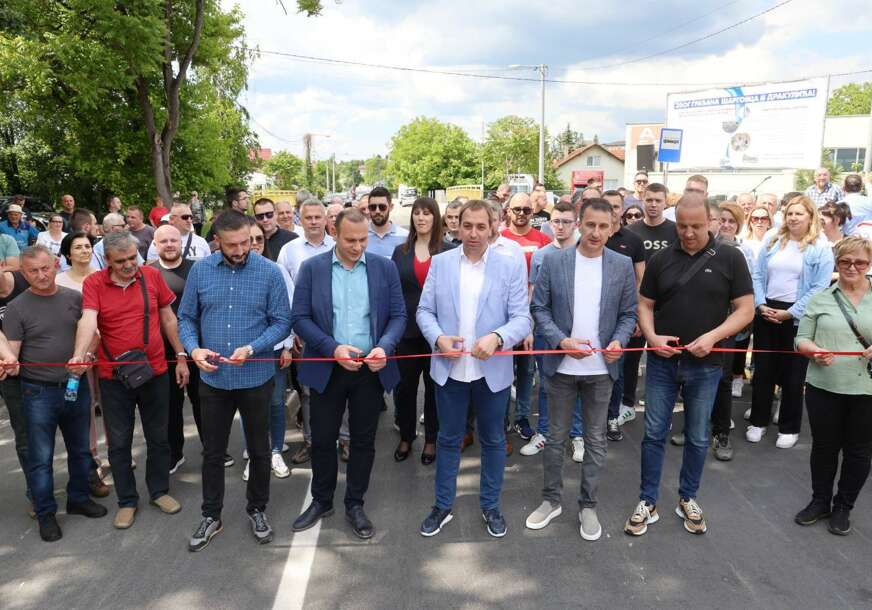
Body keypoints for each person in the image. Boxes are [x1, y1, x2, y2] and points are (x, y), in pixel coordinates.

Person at [624, 194, 754, 536]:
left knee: (697, 436)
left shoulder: (731, 257)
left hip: (707, 363)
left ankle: (688, 497)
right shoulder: (661, 258)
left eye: (696, 226)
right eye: (682, 225)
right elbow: (644, 303)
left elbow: (745, 309)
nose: (689, 233)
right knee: (653, 434)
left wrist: (714, 337)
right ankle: (647, 500)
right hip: (662, 362)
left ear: (710, 221)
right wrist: (651, 337)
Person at [176, 210, 290, 551]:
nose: (241, 249)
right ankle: (211, 514)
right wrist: (194, 350)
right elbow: (186, 318)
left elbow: (282, 322)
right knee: (212, 452)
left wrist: (254, 347)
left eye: (246, 242)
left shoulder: (269, 273)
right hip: (213, 380)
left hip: (256, 377)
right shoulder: (200, 271)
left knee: (258, 449)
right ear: (217, 242)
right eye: (232, 245)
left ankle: (257, 509)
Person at [416, 200, 531, 538]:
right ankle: (442, 506)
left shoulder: (510, 266)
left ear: (494, 227)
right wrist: (438, 340)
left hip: (491, 372)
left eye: (482, 227)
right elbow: (424, 311)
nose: (474, 233)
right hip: (449, 371)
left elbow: (522, 319)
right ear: (457, 226)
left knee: (494, 440)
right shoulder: (441, 263)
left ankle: (490, 505)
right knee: (448, 439)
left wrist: (497, 337)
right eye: (468, 226)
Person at [290, 208, 406, 540]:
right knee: (323, 439)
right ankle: (321, 500)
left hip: (370, 369)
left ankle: (355, 503)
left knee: (363, 440)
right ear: (334, 233)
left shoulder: (384, 268)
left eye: (363, 239)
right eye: (350, 240)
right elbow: (299, 318)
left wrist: (384, 345)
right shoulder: (312, 269)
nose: (358, 247)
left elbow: (398, 315)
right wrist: (332, 348)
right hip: (328, 368)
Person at [526, 199, 637, 540]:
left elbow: (629, 313)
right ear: (579, 223)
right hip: (561, 367)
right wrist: (560, 341)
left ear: (613, 227)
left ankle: (588, 505)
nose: (596, 232)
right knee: (556, 439)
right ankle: (551, 500)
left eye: (604, 226)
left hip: (601, 370)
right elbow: (539, 308)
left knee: (595, 440)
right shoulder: (555, 261)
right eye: (590, 225)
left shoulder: (622, 264)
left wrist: (619, 341)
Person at [68, 231, 186, 530]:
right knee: (119, 444)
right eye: (121, 261)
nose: (129, 265)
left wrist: (182, 356)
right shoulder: (95, 283)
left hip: (155, 371)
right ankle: (127, 500)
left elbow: (169, 318)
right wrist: (79, 355)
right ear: (107, 260)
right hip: (112, 377)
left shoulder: (152, 276)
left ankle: (159, 491)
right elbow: (88, 320)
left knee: (159, 437)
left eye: (133, 257)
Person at [4, 246, 109, 542]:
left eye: (46, 268)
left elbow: (94, 337)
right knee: (41, 457)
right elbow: (12, 353)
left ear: (55, 264)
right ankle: (45, 512)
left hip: (76, 386)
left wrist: (86, 357)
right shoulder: (17, 308)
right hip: (38, 392)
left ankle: (77, 498)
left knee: (80, 449)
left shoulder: (74, 298)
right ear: (24, 273)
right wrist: (8, 364)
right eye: (33, 271)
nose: (41, 275)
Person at [794, 235, 872, 536]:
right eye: (845, 261)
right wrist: (812, 349)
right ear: (837, 263)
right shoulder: (821, 298)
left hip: (866, 389)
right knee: (824, 448)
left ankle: (844, 506)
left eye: (860, 262)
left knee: (859, 452)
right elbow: (800, 338)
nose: (852, 267)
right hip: (823, 385)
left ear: (868, 264)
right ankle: (820, 501)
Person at [747, 195, 833, 449]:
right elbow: (758, 273)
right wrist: (761, 303)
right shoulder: (773, 239)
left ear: (810, 217)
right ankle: (758, 421)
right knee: (763, 371)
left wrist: (792, 312)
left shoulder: (820, 247)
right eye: (790, 213)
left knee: (793, 375)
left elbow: (819, 287)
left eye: (799, 214)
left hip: (797, 317)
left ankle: (789, 426)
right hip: (766, 311)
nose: (793, 218)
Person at [391, 197, 455, 464]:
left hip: (437, 334)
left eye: (427, 213)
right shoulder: (400, 251)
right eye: (416, 213)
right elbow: (393, 292)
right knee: (404, 389)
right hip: (406, 333)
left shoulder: (449, 251)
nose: (421, 218)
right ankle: (406, 435)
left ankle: (431, 438)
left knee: (433, 388)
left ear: (435, 217)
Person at [520, 201, 585, 458]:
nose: (560, 226)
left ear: (575, 224)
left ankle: (576, 434)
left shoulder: (585, 253)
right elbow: (532, 294)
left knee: (577, 385)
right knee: (547, 385)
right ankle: (543, 432)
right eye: (556, 221)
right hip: (546, 333)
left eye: (566, 222)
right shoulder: (541, 255)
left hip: (576, 332)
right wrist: (529, 328)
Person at [276, 198, 337, 465]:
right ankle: (311, 441)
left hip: (338, 330)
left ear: (326, 219)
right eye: (308, 217)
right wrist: (294, 332)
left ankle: (343, 439)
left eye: (317, 217)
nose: (313, 221)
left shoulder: (339, 246)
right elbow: (284, 293)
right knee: (310, 391)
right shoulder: (289, 251)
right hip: (305, 332)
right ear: (301, 220)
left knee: (341, 388)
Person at [237, 221, 295, 480]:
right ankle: (254, 454)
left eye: (259, 239)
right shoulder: (230, 272)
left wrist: (288, 347)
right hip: (244, 355)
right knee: (250, 406)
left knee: (275, 403)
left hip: (274, 351)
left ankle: (274, 452)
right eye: (250, 239)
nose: (256, 244)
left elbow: (289, 311)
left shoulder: (277, 270)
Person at [54, 232, 110, 496]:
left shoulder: (104, 275)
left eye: (88, 246)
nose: (85, 250)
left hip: (109, 348)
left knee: (110, 400)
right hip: (80, 353)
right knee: (85, 406)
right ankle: (92, 459)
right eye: (78, 247)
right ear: (67, 253)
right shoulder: (59, 282)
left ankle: (117, 451)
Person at [149, 225, 203, 475]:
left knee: (203, 402)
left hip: (196, 348)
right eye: (164, 241)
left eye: (173, 240)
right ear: (155, 244)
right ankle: (175, 453)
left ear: (181, 242)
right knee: (170, 406)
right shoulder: (148, 272)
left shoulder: (197, 268)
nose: (169, 244)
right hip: (164, 352)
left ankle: (213, 448)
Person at [602, 190, 646, 442]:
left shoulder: (633, 240)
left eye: (616, 206)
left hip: (622, 316)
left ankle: (612, 417)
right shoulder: (590, 237)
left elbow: (642, 279)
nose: (612, 210)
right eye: (607, 205)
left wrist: (637, 315)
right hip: (593, 316)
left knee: (616, 369)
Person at [146, 203, 211, 261]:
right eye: (185, 217)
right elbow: (151, 267)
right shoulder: (158, 242)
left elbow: (208, 267)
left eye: (191, 217)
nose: (189, 220)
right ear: (172, 220)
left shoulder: (201, 242)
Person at [365, 186, 408, 257]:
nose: (377, 211)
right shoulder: (360, 236)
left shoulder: (405, 236)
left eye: (382, 207)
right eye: (373, 207)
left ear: (391, 207)